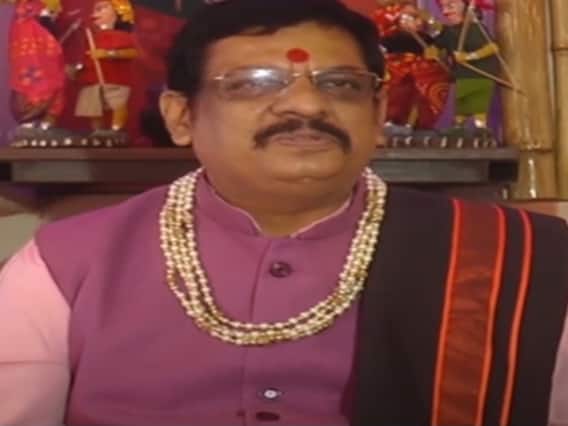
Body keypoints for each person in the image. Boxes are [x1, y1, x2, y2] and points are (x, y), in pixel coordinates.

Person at [0, 1, 567, 425]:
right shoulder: (65, 265)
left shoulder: (522, 259)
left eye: (340, 84)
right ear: (181, 117)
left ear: (377, 114)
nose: (307, 104)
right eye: (254, 84)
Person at [372, 0, 450, 133]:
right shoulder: (391, 34)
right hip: (398, 71)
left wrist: (436, 53)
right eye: (413, 18)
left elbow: (441, 42)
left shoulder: (425, 37)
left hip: (424, 72)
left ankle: (420, 124)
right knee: (397, 93)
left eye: (418, 18)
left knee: (426, 95)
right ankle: (393, 121)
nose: (418, 22)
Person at [433, 0, 500, 133]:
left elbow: (492, 48)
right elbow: (439, 45)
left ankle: (481, 127)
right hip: (462, 74)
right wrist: (433, 50)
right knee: (462, 101)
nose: (445, 12)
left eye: (450, 6)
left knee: (477, 102)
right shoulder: (448, 31)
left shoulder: (474, 28)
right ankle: (458, 126)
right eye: (443, 7)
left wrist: (469, 56)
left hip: (479, 73)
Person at [73, 0, 138, 136]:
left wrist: (108, 53)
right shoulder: (92, 37)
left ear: (118, 12)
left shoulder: (122, 36)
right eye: (95, 10)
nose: (96, 13)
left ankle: (116, 130)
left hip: (115, 80)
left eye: (101, 9)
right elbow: (86, 57)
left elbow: (132, 52)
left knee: (117, 105)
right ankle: (98, 132)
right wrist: (79, 69)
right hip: (92, 80)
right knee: (93, 108)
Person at [7, 0, 66, 138]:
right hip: (26, 49)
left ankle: (46, 124)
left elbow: (50, 20)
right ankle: (28, 122)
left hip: (44, 49)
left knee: (52, 80)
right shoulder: (23, 10)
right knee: (27, 83)